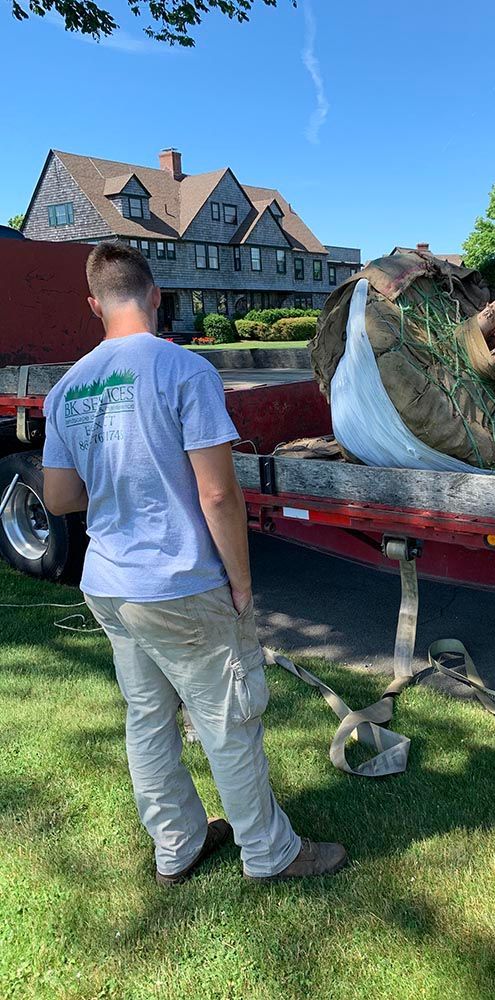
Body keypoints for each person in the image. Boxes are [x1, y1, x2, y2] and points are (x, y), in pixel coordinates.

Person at [42, 241, 347, 886]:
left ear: (93, 305)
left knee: (148, 717)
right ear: (156, 296)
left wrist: (117, 473)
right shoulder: (184, 371)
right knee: (228, 717)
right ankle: (269, 852)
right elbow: (217, 492)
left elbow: (61, 497)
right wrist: (240, 580)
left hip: (110, 585)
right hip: (179, 583)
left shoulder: (66, 389)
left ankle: (176, 847)